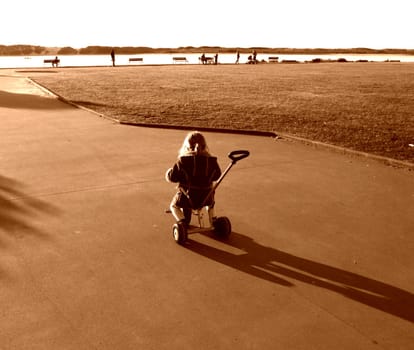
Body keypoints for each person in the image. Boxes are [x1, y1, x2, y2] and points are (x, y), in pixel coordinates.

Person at [166, 131, 222, 226]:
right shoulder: (211, 161)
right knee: (210, 201)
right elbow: (217, 175)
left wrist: (168, 173)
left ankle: (182, 222)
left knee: (174, 205)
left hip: (188, 197)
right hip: (206, 197)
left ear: (187, 146)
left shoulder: (183, 161)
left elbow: (173, 177)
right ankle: (213, 219)